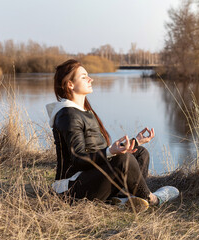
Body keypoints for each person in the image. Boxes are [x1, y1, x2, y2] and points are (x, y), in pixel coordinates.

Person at [46, 59, 178, 209]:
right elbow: (78, 159)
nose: (91, 79)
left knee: (140, 153)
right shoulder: (67, 115)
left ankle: (126, 198)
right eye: (84, 77)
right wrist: (111, 151)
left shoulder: (82, 111)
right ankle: (152, 199)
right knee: (124, 159)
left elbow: (96, 150)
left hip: (90, 178)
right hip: (72, 189)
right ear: (70, 84)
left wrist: (135, 142)